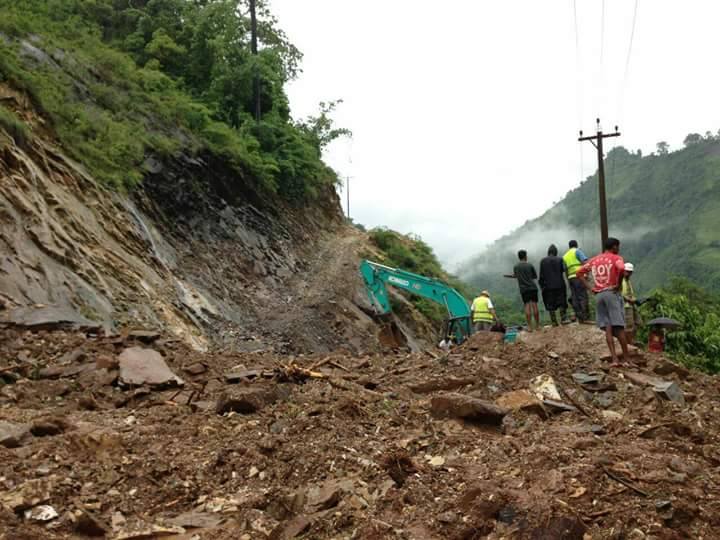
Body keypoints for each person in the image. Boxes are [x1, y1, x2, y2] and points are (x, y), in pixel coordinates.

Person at [576, 237, 630, 365]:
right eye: (618, 246)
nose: (619, 249)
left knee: (608, 328)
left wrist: (591, 288)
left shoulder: (595, 260)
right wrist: (618, 285)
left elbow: (578, 272)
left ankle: (614, 359)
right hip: (611, 293)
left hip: (599, 295)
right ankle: (627, 359)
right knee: (620, 327)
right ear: (614, 247)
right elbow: (622, 269)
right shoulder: (616, 258)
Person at [505, 250, 540, 331]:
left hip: (524, 289)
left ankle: (530, 327)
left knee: (527, 306)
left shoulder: (516, 266)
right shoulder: (530, 265)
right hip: (533, 287)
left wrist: (509, 276)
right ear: (525, 256)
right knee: (534, 305)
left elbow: (516, 276)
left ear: (519, 257)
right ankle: (537, 326)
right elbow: (535, 276)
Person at [539, 244, 569, 326]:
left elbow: (541, 276)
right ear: (556, 252)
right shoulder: (560, 259)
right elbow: (565, 269)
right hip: (560, 284)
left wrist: (542, 286)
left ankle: (554, 322)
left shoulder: (543, 261)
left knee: (550, 303)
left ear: (548, 252)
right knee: (562, 302)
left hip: (548, 286)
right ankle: (563, 319)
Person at [563, 240, 590, 323]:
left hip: (571, 278)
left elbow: (566, 270)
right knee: (582, 296)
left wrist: (568, 280)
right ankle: (585, 317)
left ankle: (579, 318)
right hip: (579, 277)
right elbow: (585, 262)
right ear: (576, 245)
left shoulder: (565, 256)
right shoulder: (577, 251)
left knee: (574, 297)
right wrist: (587, 274)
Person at [621, 262, 642, 344]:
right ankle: (629, 342)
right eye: (627, 271)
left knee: (638, 322)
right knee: (629, 325)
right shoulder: (621, 280)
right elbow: (620, 293)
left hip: (631, 305)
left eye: (630, 272)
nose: (629, 273)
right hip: (626, 306)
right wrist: (629, 300)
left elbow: (630, 293)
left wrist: (635, 300)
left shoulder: (627, 281)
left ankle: (632, 339)